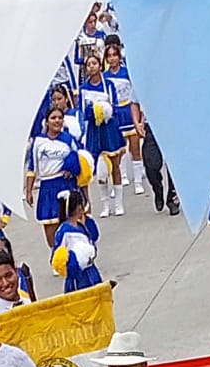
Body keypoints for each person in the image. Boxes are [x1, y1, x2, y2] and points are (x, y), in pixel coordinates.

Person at [26, 107, 87, 255]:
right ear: (46, 122)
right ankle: (57, 257)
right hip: (47, 188)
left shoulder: (69, 139)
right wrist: (28, 190)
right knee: (51, 231)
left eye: (60, 118)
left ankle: (76, 256)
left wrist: (73, 167)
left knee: (72, 225)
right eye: (53, 118)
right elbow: (32, 167)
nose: (57, 121)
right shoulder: (38, 142)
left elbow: (82, 159)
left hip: (66, 185)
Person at [79, 50, 127, 216]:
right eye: (88, 65)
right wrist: (94, 112)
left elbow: (115, 107)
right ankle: (105, 205)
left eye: (94, 64)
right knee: (100, 170)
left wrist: (106, 111)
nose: (91, 67)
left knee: (115, 166)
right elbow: (82, 112)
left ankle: (118, 203)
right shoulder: (83, 89)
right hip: (94, 130)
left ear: (100, 65)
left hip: (109, 128)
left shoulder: (109, 85)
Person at [104, 37, 145, 197]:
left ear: (119, 56)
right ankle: (122, 176)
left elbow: (136, 93)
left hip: (128, 110)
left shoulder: (127, 72)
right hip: (115, 114)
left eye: (115, 55)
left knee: (135, 148)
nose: (112, 58)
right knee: (119, 150)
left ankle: (138, 181)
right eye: (109, 56)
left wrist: (139, 115)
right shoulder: (105, 76)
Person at [50, 189, 102, 295]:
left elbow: (94, 237)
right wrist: (71, 264)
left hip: (91, 270)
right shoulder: (64, 231)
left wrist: (86, 222)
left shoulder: (82, 224)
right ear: (78, 207)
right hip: (77, 276)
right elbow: (56, 256)